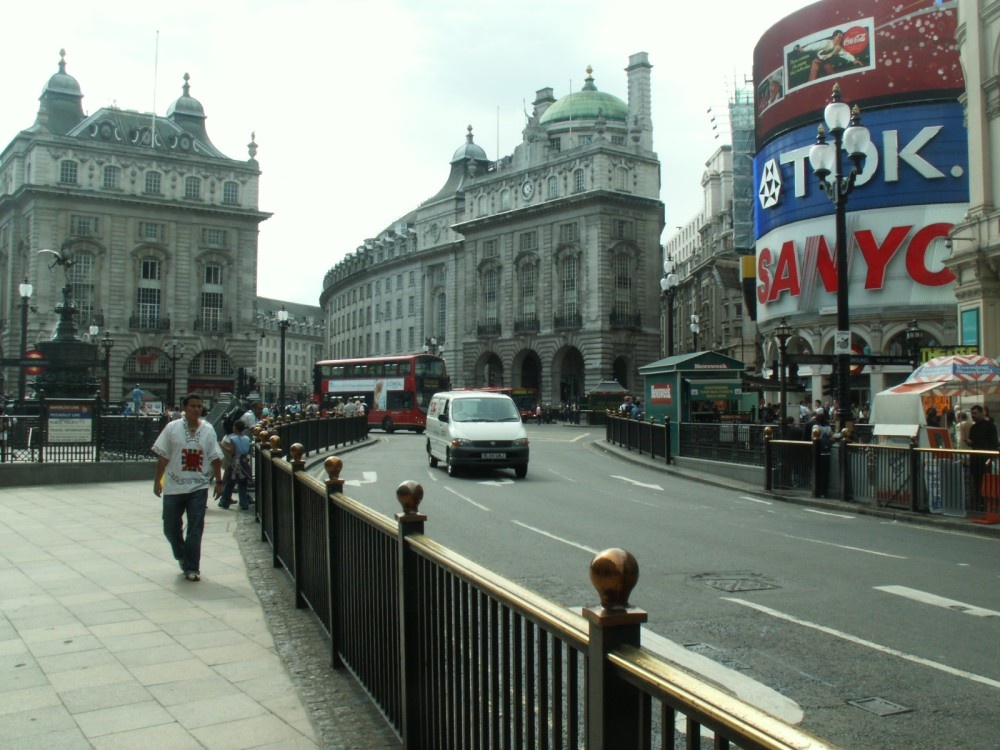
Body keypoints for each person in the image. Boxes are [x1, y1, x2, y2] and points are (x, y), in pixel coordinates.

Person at [152, 393, 224, 582]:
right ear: (184, 408)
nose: (196, 409)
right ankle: (181, 553)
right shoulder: (171, 428)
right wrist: (157, 480)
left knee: (195, 528)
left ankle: (192, 567)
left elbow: (215, 457)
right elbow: (163, 456)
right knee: (170, 526)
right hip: (174, 486)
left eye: (199, 406)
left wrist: (219, 481)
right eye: (192, 406)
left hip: (198, 487)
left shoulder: (208, 430)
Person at [968, 405, 999, 510]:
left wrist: (990, 457)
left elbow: (993, 443)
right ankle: (979, 504)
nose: (973, 416)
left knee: (987, 482)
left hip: (985, 458)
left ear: (982, 413)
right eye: (972, 414)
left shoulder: (990, 426)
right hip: (975, 459)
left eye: (975, 413)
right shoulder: (973, 427)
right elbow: (973, 441)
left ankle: (987, 505)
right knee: (976, 482)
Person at [219, 420, 252, 510]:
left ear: (235, 428)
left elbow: (232, 451)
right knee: (243, 483)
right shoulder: (247, 438)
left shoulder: (233, 439)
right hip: (244, 461)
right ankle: (244, 503)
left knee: (230, 483)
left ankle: (225, 502)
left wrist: (222, 446)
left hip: (235, 462)